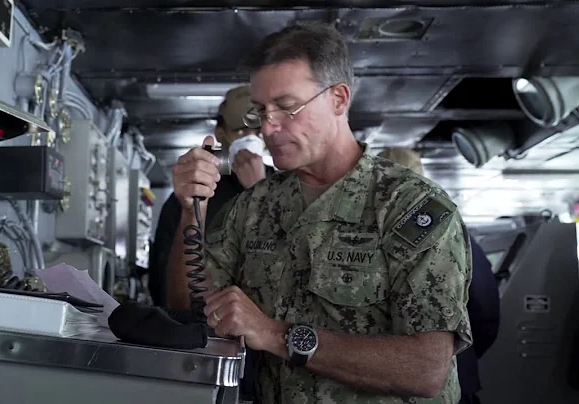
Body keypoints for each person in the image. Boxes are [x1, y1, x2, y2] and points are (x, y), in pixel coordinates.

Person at [166, 21, 473, 404]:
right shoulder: (255, 206)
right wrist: (190, 210)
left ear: (339, 99)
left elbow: (426, 369)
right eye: (260, 111)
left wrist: (276, 335)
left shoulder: (408, 206)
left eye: (287, 106)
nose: (268, 126)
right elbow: (186, 307)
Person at [378, 147, 500, 404]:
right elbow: (485, 313)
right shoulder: (453, 235)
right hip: (452, 380)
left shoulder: (359, 239)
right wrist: (455, 354)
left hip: (374, 382)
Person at [148, 85, 273, 308]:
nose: (251, 141)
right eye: (241, 132)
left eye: (258, 133)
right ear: (220, 133)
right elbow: (163, 286)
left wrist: (258, 189)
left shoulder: (286, 187)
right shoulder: (195, 191)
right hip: (206, 329)